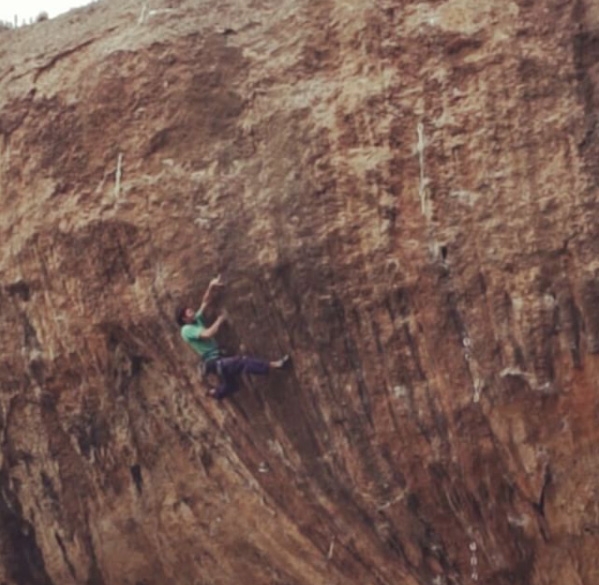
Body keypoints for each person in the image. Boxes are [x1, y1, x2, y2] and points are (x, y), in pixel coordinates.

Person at [176, 275, 291, 399]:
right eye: (189, 312)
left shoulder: (195, 320)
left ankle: (215, 393)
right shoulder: (186, 330)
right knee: (242, 361)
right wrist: (220, 320)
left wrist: (211, 286)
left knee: (232, 385)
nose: (192, 311)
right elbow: (207, 334)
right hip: (215, 362)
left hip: (218, 358)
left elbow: (205, 302)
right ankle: (276, 365)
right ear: (184, 318)